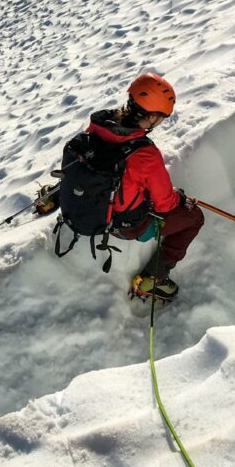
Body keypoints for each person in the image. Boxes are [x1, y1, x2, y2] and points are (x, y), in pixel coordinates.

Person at [86, 72, 204, 301]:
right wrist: (179, 199)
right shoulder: (145, 154)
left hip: (93, 209)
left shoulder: (99, 127)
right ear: (151, 116)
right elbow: (165, 204)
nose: (161, 122)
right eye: (161, 117)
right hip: (124, 226)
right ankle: (152, 279)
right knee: (194, 218)